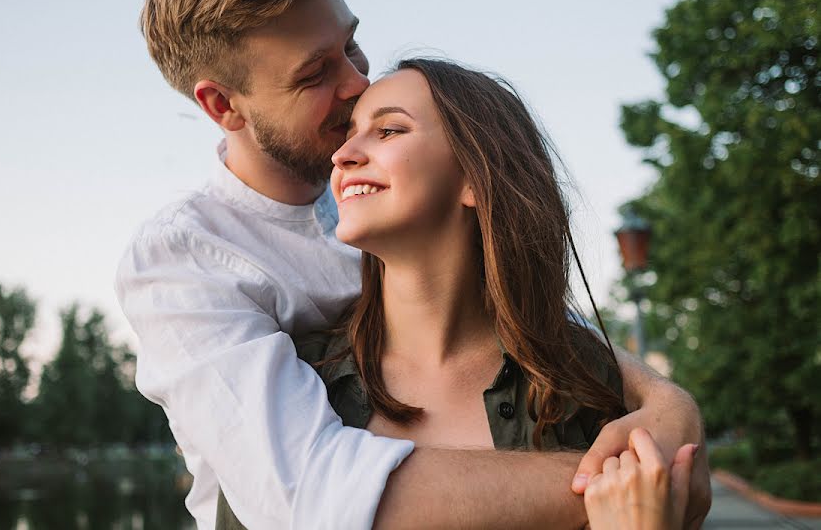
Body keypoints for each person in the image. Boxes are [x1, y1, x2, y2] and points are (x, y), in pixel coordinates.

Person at [116, 0, 710, 528]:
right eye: (315, 73)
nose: (354, 84)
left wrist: (664, 400)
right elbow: (310, 495)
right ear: (223, 105)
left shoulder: (385, 199)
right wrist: (621, 483)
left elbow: (530, 313)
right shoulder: (186, 259)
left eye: (351, 44)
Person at [213, 57, 694, 529]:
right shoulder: (294, 380)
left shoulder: (586, 386)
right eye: (348, 134)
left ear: (474, 178)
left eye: (389, 131)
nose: (342, 155)